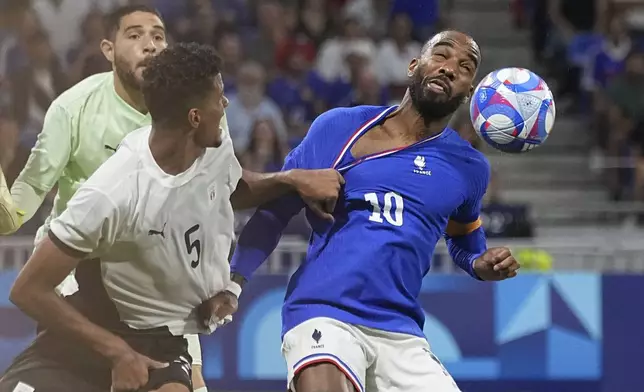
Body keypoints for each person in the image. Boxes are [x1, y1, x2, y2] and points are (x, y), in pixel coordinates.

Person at [0, 42, 343, 392]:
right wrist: (118, 353)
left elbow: (233, 187)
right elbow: (28, 290)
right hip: (89, 333)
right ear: (194, 117)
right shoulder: (113, 192)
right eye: (219, 96)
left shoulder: (214, 146)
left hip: (161, 340)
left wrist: (289, 180)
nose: (225, 104)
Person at [229, 30, 521, 392]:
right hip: (323, 309)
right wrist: (234, 281)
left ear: (468, 92)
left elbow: (464, 237)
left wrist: (479, 264)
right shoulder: (339, 127)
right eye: (441, 56)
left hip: (400, 330)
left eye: (464, 68)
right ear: (414, 66)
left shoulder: (469, 168)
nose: (449, 69)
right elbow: (274, 212)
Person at [0, 5, 213, 390]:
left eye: (158, 36)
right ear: (108, 49)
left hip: (157, 287)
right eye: (134, 36)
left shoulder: (192, 114)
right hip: (76, 279)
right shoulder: (73, 107)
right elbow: (19, 206)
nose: (149, 45)